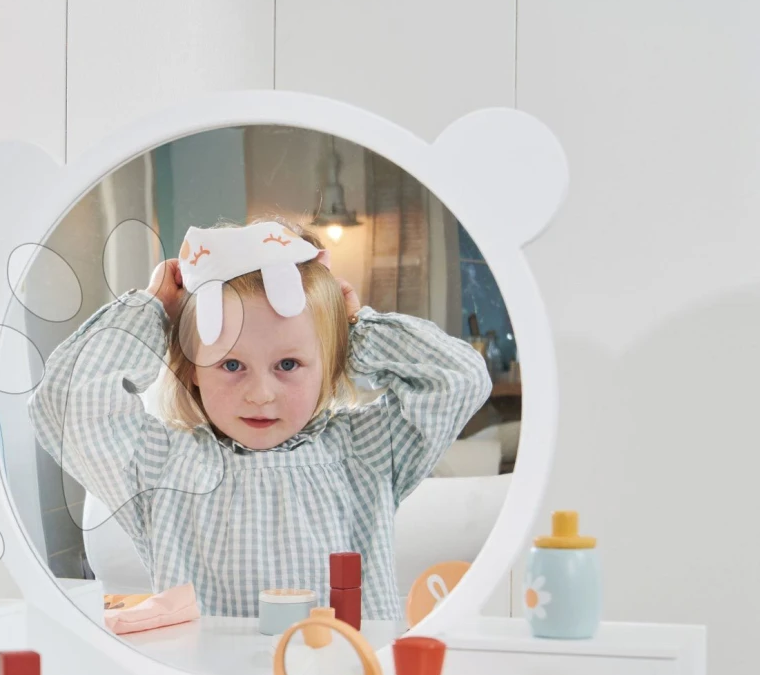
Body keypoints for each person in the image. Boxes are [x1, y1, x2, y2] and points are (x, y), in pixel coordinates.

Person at [29, 217, 492, 621]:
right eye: (231, 365)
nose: (261, 393)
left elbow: (459, 378)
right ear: (192, 369)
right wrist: (151, 309)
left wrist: (355, 327)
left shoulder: (365, 453)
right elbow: (65, 403)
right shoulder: (161, 469)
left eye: (288, 365)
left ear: (330, 363)